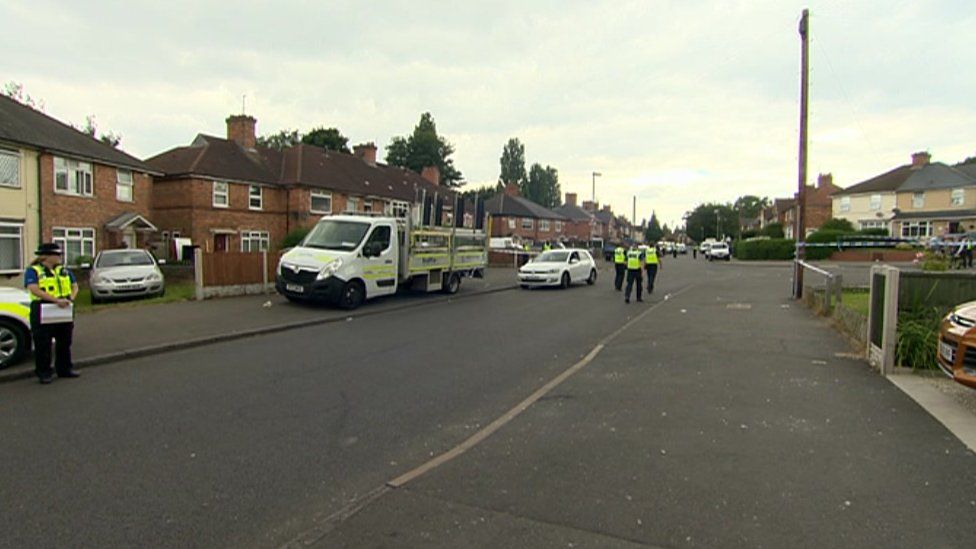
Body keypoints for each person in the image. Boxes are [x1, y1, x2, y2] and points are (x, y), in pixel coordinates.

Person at [24, 243, 80, 384]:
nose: (59, 257)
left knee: (64, 341)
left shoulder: (64, 271)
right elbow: (34, 289)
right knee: (43, 343)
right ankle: (44, 372)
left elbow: (75, 286)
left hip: (64, 308)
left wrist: (71, 298)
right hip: (43, 308)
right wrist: (56, 301)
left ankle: (64, 369)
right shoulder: (33, 271)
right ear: (46, 257)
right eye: (57, 255)